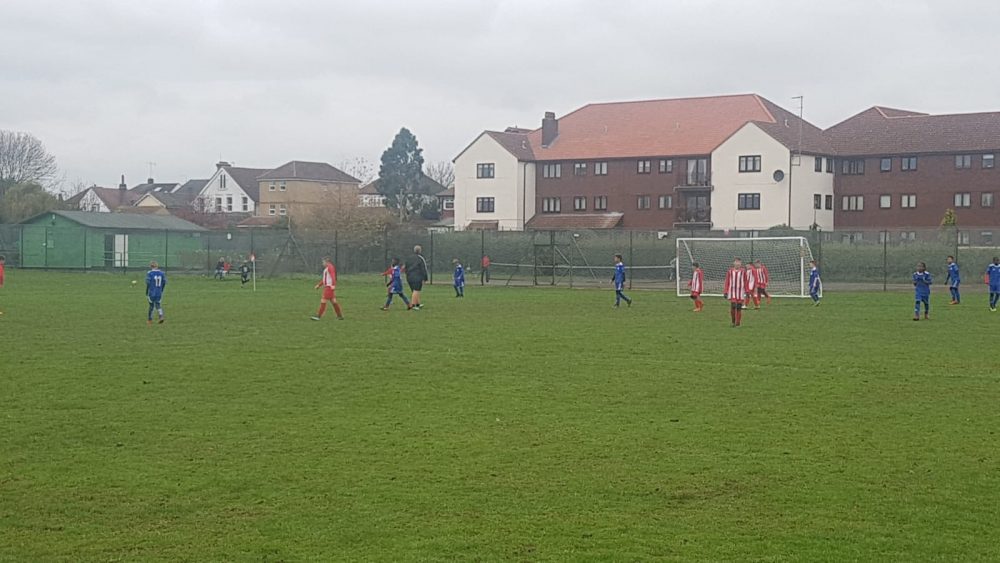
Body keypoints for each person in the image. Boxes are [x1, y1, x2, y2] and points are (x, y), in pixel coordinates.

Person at [724, 258, 746, 327]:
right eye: (736, 262)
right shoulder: (730, 271)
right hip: (732, 291)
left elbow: (746, 281)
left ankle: (738, 323)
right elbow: (727, 281)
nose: (737, 264)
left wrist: (747, 291)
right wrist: (725, 291)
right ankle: (733, 321)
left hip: (740, 292)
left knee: (739, 307)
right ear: (734, 263)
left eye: (739, 263)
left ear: (741, 264)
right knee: (733, 306)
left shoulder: (743, 271)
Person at [405, 245, 429, 310]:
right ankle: (413, 305)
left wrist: (407, 275)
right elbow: (423, 269)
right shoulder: (420, 258)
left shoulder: (409, 258)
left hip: (409, 277)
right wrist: (425, 278)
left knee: (414, 291)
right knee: (416, 290)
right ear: (420, 251)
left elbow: (406, 268)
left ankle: (418, 303)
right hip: (417, 277)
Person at [146, 261, 167, 325]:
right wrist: (161, 290)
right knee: (158, 304)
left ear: (151, 266)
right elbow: (164, 282)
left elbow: (148, 283)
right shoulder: (162, 273)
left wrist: (147, 291)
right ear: (157, 266)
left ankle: (150, 320)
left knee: (151, 306)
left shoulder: (150, 273)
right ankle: (161, 316)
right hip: (159, 292)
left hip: (152, 292)